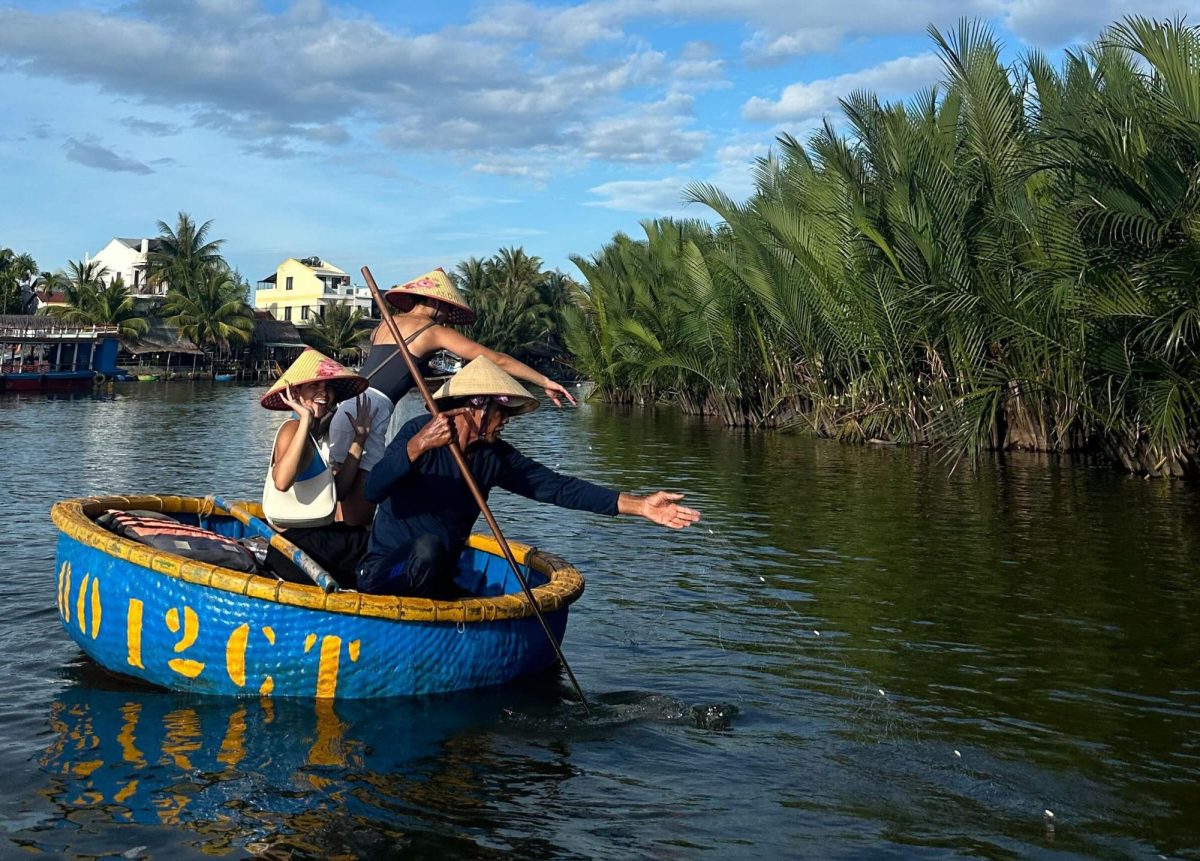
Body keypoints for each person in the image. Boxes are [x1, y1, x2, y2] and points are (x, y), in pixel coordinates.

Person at [356, 356, 701, 598]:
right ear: (476, 407)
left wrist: (640, 506)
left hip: (438, 576)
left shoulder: (494, 456)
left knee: (443, 561)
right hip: (385, 573)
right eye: (502, 412)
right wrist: (416, 447)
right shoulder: (419, 432)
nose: (507, 420)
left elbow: (558, 488)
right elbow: (373, 489)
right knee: (427, 547)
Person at [329, 267, 578, 526]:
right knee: (359, 511)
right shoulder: (432, 331)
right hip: (371, 411)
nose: (447, 317)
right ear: (435, 303)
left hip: (352, 403)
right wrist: (545, 381)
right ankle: (348, 555)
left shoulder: (385, 324)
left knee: (343, 492)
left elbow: (398, 368)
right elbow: (496, 359)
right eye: (447, 309)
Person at [259, 348, 374, 587]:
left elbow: (338, 493)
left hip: (310, 541)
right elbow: (282, 481)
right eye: (314, 387)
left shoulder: (310, 435)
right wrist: (304, 420)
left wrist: (359, 440)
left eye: (328, 387)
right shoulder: (293, 429)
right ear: (297, 392)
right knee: (377, 547)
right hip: (294, 548)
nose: (324, 393)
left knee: (366, 536)